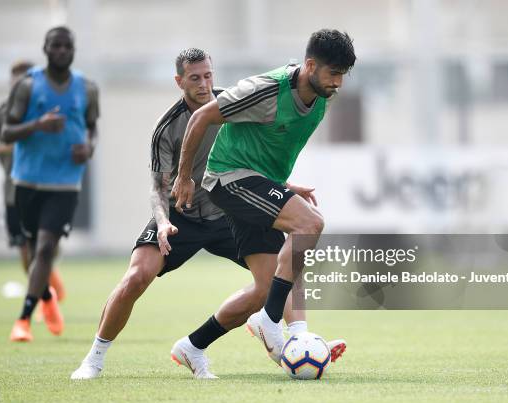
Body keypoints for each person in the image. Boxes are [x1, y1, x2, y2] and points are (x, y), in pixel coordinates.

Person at [71, 48, 344, 380]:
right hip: (180, 217)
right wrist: (162, 222)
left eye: (208, 75)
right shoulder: (167, 127)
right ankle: (94, 358)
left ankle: (293, 343)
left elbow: (251, 155)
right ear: (179, 81)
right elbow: (158, 187)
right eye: (195, 78)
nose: (204, 84)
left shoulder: (232, 103)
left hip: (228, 212)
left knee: (281, 272)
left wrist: (285, 186)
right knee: (136, 278)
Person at [172, 29, 356, 365]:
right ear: (311, 65)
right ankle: (278, 326)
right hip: (228, 178)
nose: (338, 83)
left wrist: (282, 187)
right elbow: (200, 117)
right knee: (309, 225)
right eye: (334, 74)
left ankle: (192, 346)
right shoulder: (265, 89)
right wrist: (184, 177)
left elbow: (269, 145)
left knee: (264, 287)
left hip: (256, 181)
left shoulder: (320, 97)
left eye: (343, 75)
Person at [1, 26, 100, 342]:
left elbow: (93, 128)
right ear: (45, 49)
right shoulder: (28, 86)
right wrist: (38, 125)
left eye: (66, 46)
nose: (61, 51)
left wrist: (89, 148)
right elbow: (6, 132)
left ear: (73, 50)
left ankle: (23, 320)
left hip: (65, 183)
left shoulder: (87, 88)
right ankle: (46, 298)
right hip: (28, 181)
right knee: (31, 251)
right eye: (55, 46)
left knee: (45, 248)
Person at [0, 60, 66, 301]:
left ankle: (48, 273)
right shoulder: (0, 114)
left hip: (49, 189)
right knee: (25, 249)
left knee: (48, 245)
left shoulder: (49, 112)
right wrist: (10, 148)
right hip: (14, 192)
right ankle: (44, 296)